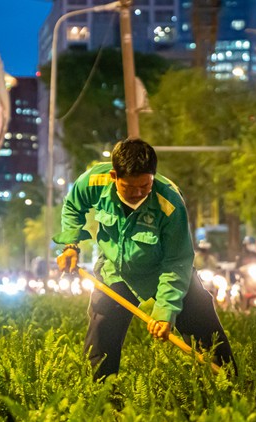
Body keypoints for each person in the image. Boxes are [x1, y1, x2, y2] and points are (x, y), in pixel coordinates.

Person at [53, 138, 236, 381]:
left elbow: (177, 260)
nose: (138, 193)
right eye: (130, 187)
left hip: (164, 269)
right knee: (102, 331)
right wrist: (71, 246)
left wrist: (165, 311)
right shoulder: (93, 181)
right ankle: (101, 398)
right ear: (113, 176)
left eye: (145, 185)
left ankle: (237, 387)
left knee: (204, 326)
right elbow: (73, 207)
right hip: (116, 271)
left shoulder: (169, 203)